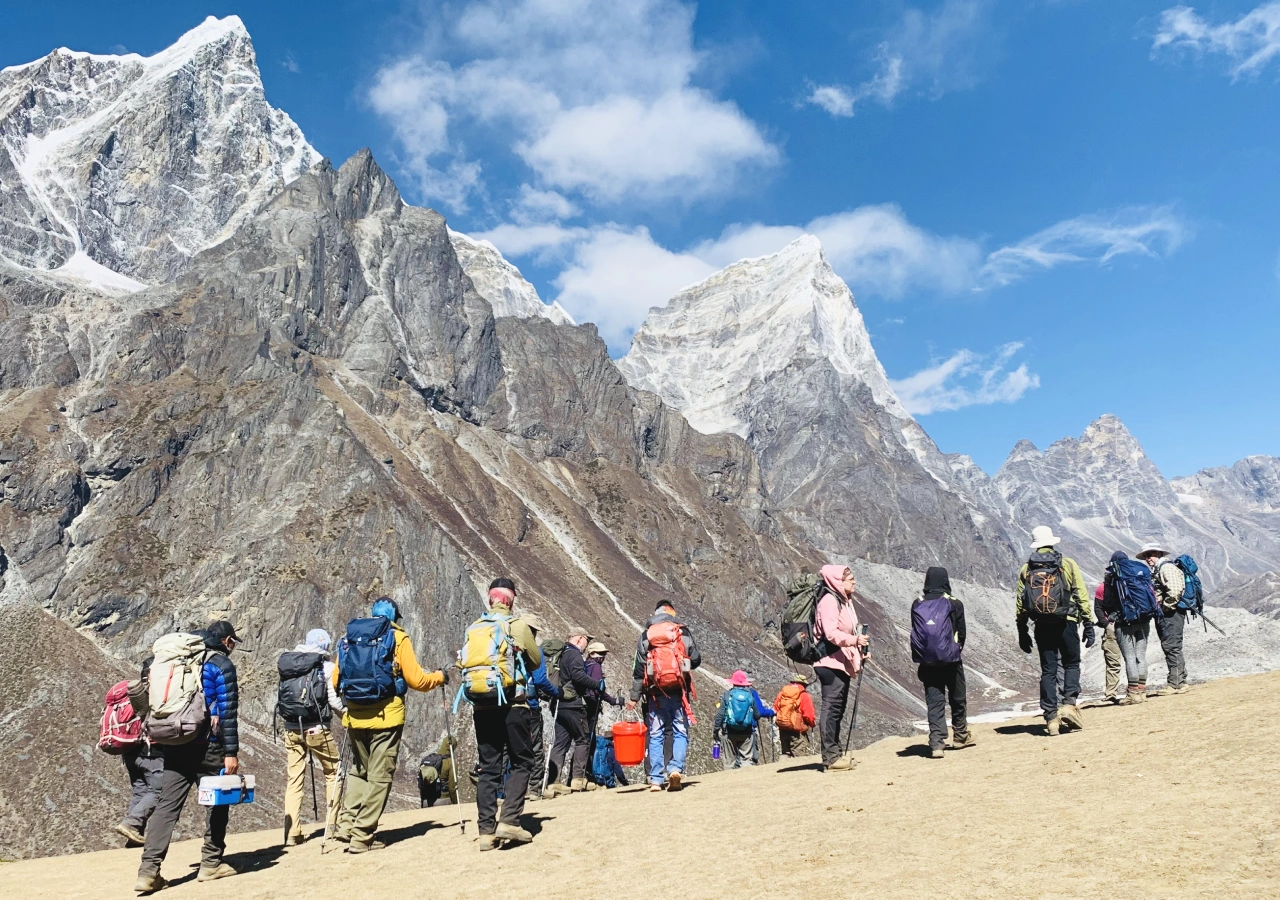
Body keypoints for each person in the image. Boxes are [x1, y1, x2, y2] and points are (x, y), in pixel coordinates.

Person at [136, 621, 247, 893]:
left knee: (167, 806)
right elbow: (227, 712)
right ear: (224, 641)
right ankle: (210, 863)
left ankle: (148, 871)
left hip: (174, 742)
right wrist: (231, 752)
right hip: (208, 745)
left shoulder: (168, 662)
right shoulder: (219, 664)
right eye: (232, 642)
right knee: (217, 802)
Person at [328, 597, 445, 854]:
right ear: (394, 616)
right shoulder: (397, 638)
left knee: (359, 771)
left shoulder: (349, 638)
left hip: (355, 716)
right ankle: (362, 836)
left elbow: (336, 680)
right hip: (386, 717)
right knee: (380, 776)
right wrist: (439, 677)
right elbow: (416, 680)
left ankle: (346, 828)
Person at [463, 578, 542, 849]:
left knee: (489, 766)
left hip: (481, 704)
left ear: (490, 599)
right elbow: (536, 660)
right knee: (522, 761)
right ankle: (509, 820)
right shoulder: (517, 625)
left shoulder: (474, 627)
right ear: (512, 600)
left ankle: (486, 831)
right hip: (513, 704)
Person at [1015, 526, 1094, 736]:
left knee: (1048, 670)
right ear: (1052, 541)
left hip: (1041, 624)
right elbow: (1080, 593)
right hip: (1066, 621)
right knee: (1071, 663)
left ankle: (1051, 718)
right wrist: (1088, 622)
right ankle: (1069, 705)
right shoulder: (1067, 564)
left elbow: (1021, 603)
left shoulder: (1026, 569)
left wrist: (1022, 630)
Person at [627, 599, 702, 792]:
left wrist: (634, 697)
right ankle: (675, 768)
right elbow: (696, 659)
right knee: (680, 731)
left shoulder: (646, 635)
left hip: (654, 693)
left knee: (656, 734)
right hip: (678, 691)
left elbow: (639, 669)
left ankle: (655, 779)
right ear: (672, 614)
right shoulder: (681, 632)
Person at [278, 628, 344, 846]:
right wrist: (348, 714)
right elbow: (334, 702)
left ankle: (291, 833)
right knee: (334, 772)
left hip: (291, 728)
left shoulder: (288, 664)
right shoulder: (325, 667)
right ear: (325, 645)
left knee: (294, 779)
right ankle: (333, 825)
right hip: (317, 728)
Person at [911, 567, 972, 759]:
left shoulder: (917, 603)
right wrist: (954, 649)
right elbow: (961, 632)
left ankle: (936, 743)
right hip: (951, 660)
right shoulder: (954, 603)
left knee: (934, 700)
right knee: (957, 697)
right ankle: (960, 735)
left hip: (927, 662)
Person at [813, 564, 870, 771]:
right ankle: (830, 756)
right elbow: (830, 633)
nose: (854, 582)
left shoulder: (844, 601)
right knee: (832, 707)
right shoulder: (830, 601)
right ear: (838, 581)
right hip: (829, 662)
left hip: (839, 661)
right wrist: (855, 640)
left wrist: (859, 647)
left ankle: (835, 753)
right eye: (850, 579)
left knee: (837, 708)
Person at [546, 627, 602, 794]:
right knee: (582, 739)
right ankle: (577, 779)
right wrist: (596, 684)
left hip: (558, 704)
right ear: (579, 639)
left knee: (561, 742)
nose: (587, 644)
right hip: (573, 703)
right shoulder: (574, 654)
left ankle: (553, 782)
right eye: (587, 640)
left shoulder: (561, 653)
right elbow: (578, 676)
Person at [114, 658, 162, 846]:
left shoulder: (132, 693)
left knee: (140, 792)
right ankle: (131, 824)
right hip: (149, 752)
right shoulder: (151, 693)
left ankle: (133, 839)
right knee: (158, 790)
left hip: (129, 752)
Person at [1139, 543, 1191, 696]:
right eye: (1146, 556)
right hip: (1169, 612)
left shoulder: (1166, 568)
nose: (1148, 559)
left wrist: (1166, 607)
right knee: (1172, 645)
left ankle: (1175, 684)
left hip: (1171, 613)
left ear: (1159, 554)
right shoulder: (1159, 569)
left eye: (1151, 555)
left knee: (1171, 646)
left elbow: (1174, 590)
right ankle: (1180, 681)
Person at [1105, 550, 1156, 705]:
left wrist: (1113, 614)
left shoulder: (1113, 574)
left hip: (1125, 621)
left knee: (1129, 657)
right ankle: (1142, 691)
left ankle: (1133, 693)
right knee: (1140, 655)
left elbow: (1108, 600)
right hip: (1144, 618)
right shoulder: (1139, 570)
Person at [520, 612, 558, 802]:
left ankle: (506, 791)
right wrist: (555, 692)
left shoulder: (507, 647)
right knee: (535, 747)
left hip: (508, 704)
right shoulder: (535, 650)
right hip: (530, 705)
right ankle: (535, 789)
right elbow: (541, 679)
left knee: (510, 748)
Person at [712, 670, 775, 769]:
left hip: (729, 732)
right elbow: (757, 715)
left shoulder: (727, 695)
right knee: (746, 760)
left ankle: (729, 782)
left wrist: (716, 731)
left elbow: (720, 714)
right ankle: (746, 782)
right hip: (746, 732)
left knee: (729, 761)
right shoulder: (750, 695)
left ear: (733, 682)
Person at [582, 640, 623, 776]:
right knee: (589, 740)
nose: (603, 657)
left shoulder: (585, 665)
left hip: (583, 704)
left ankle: (579, 774)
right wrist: (613, 701)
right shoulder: (596, 667)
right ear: (592, 654)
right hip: (592, 705)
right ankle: (588, 774)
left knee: (583, 739)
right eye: (601, 654)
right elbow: (599, 690)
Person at [773, 674, 817, 757]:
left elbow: (776, 708)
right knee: (799, 754)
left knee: (785, 753)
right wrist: (811, 724)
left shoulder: (783, 693)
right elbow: (809, 715)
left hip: (783, 727)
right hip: (797, 730)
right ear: (804, 684)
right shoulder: (804, 695)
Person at [1094, 583, 1124, 703]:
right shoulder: (1131, 582)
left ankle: (1111, 694)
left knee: (1113, 662)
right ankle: (1137, 690)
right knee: (1135, 658)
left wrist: (1106, 624)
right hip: (1133, 623)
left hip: (1113, 627)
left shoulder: (1103, 587)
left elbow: (1098, 608)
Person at [417, 734, 457, 808]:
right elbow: (452, 788)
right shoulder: (450, 762)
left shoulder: (429, 760)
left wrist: (423, 802)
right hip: (443, 800)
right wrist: (455, 804)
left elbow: (422, 784)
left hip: (427, 801)